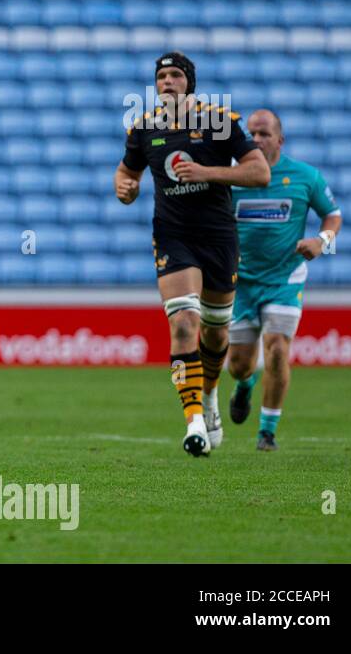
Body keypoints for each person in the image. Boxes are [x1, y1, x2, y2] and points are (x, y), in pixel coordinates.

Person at [113, 52, 270, 457]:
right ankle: (194, 421)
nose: (167, 82)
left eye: (176, 75)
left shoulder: (219, 121)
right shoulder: (144, 127)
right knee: (184, 323)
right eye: (161, 76)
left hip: (218, 237)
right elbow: (127, 172)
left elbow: (259, 172)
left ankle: (211, 394)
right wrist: (124, 189)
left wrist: (208, 173)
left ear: (190, 83)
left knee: (216, 331)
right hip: (173, 235)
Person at [227, 109, 342, 451]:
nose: (256, 140)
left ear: (280, 139)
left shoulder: (305, 176)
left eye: (263, 134)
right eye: (251, 134)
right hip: (242, 283)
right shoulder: (232, 177)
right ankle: (245, 386)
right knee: (238, 365)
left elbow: (332, 216)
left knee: (277, 351)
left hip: (284, 279)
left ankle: (267, 431)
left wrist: (321, 242)